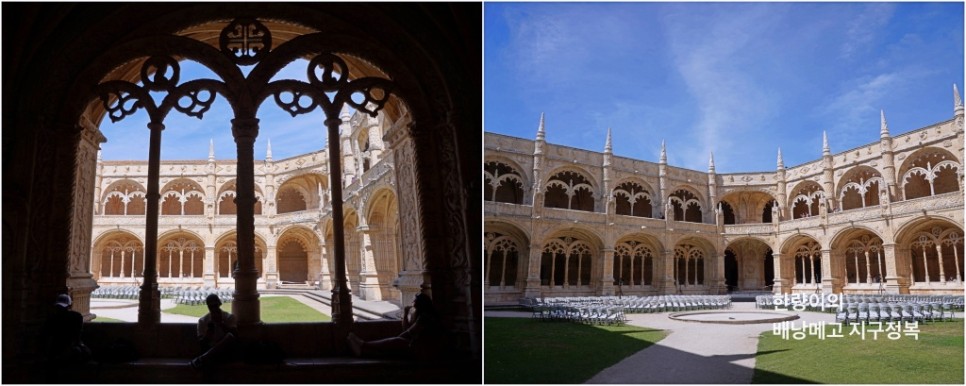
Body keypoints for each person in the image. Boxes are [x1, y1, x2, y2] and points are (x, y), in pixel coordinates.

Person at [347, 293, 446, 360]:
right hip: (423, 349)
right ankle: (363, 350)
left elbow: (408, 333)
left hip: (428, 353)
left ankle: (363, 345)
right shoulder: (422, 315)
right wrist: (406, 314)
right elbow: (407, 331)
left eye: (415, 300)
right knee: (393, 348)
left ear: (420, 303)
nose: (413, 302)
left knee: (396, 343)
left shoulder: (426, 317)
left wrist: (397, 339)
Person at [42, 293, 92, 374]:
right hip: (69, 347)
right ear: (69, 305)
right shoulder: (77, 316)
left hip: (56, 348)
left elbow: (46, 334)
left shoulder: (52, 317)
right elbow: (78, 334)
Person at [190, 294, 238, 369]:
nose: (213, 309)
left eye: (215, 305)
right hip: (210, 350)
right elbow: (201, 343)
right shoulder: (203, 321)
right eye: (211, 306)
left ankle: (202, 359)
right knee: (210, 361)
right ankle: (205, 358)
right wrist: (209, 331)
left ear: (219, 304)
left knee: (230, 336)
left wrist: (221, 324)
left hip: (225, 352)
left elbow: (235, 336)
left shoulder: (229, 317)